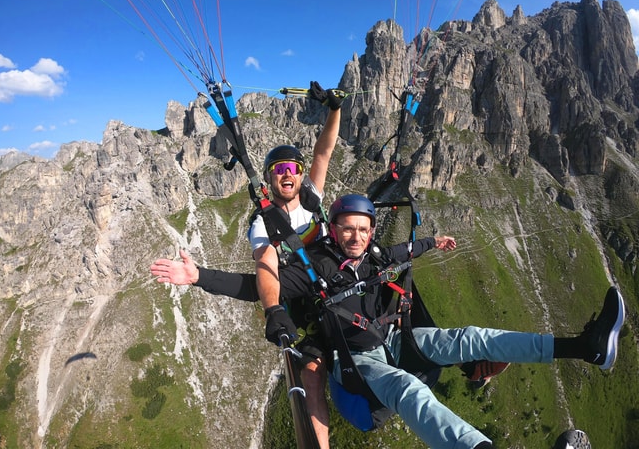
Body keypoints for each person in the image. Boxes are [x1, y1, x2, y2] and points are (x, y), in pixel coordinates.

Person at [275, 194, 626, 449]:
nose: (356, 236)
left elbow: (403, 252)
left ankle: (585, 347)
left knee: (470, 338)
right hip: (358, 363)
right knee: (409, 390)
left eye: (363, 230)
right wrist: (271, 310)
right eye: (347, 229)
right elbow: (257, 287)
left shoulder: (370, 256)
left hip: (391, 341)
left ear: (370, 231)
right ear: (332, 230)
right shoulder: (313, 270)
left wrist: (433, 241)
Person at [151, 81, 343, 448]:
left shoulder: (312, 199)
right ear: (271, 178)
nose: (288, 174)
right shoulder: (262, 224)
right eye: (280, 169)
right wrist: (201, 278)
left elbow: (324, 151)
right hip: (307, 300)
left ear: (300, 175)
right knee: (312, 378)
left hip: (337, 282)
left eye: (293, 168)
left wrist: (334, 108)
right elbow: (264, 270)